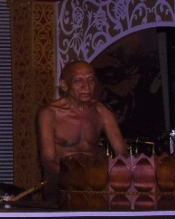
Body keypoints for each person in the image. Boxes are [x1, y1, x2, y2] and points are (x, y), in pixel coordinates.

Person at [38, 60, 128, 202]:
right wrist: (77, 177)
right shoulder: (49, 113)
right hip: (61, 184)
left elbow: (122, 154)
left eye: (90, 80)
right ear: (64, 85)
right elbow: (48, 161)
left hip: (93, 183)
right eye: (78, 81)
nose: (86, 87)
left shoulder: (101, 112)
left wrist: (106, 176)